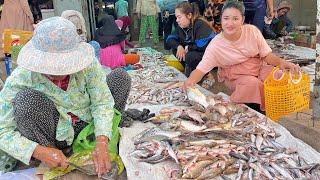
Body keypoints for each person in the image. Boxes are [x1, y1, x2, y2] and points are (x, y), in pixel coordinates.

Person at [0, 17, 131, 175]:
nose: (59, 73)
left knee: (120, 77)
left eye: (64, 66)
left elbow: (102, 102)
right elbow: (3, 131)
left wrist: (102, 140)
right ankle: (56, 155)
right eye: (51, 68)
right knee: (26, 100)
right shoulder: (21, 78)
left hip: (88, 124)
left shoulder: (87, 64)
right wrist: (38, 151)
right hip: (56, 133)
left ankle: (103, 138)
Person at [183, 0, 299, 111]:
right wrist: (190, 81)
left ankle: (268, 107)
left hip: (257, 68)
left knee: (278, 75)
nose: (230, 23)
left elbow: (267, 55)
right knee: (252, 84)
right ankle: (253, 108)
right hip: (236, 76)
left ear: (242, 19)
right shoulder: (216, 45)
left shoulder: (252, 31)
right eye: (226, 18)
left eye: (235, 19)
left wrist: (282, 63)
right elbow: (201, 70)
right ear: (221, 19)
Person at [166, 2, 216, 77]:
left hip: (211, 55)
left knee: (191, 56)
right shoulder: (181, 27)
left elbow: (202, 45)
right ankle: (189, 69)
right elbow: (169, 39)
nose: (177, 20)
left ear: (189, 15)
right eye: (176, 17)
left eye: (179, 17)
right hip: (195, 52)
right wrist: (179, 46)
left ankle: (205, 74)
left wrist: (188, 47)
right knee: (176, 49)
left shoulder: (200, 24)